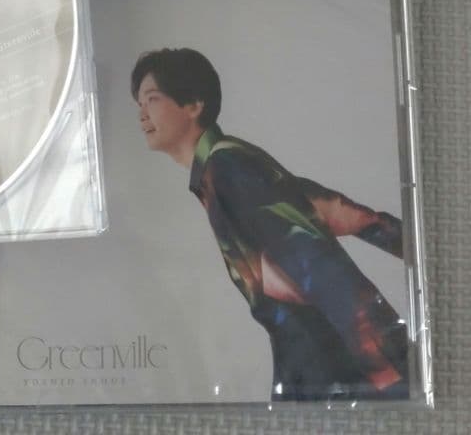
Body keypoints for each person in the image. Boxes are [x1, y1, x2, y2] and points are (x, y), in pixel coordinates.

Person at [132, 47, 410, 402]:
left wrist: (386, 369)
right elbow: (339, 212)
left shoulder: (227, 168)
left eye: (152, 99)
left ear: (193, 105)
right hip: (315, 354)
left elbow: (318, 267)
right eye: (139, 103)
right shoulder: (229, 161)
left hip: (331, 360)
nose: (141, 114)